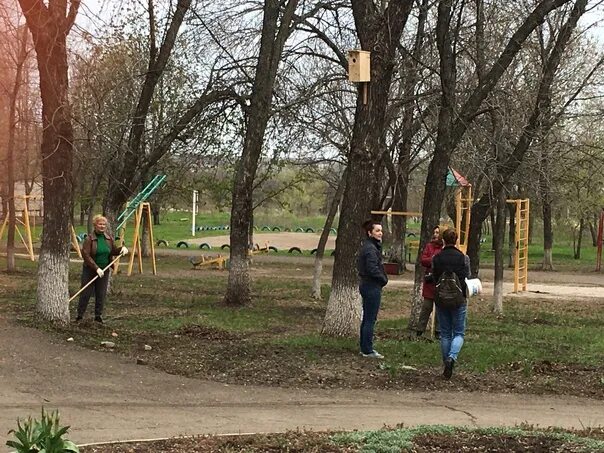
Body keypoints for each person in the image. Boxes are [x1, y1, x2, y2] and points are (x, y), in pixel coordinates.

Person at [431, 228, 470, 380]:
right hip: (458, 299)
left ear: (443, 240)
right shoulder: (463, 258)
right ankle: (452, 358)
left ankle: (445, 363)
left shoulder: (437, 258)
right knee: (459, 333)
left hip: (441, 299)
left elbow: (434, 277)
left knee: (445, 333)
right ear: (456, 240)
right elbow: (467, 276)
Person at [76, 215, 128, 323]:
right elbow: (86, 255)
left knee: (101, 293)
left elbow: (112, 251)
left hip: (104, 270)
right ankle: (80, 315)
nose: (102, 226)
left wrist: (121, 249)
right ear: (95, 225)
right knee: (86, 293)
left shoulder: (108, 238)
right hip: (90, 270)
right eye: (100, 224)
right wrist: (96, 268)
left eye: (104, 224)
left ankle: (98, 316)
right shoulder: (89, 239)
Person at [357, 220, 388, 359]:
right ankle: (367, 350)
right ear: (370, 233)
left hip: (368, 285)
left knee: (367, 318)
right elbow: (371, 268)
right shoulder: (370, 249)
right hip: (371, 286)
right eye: (377, 231)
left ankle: (364, 347)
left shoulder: (371, 246)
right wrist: (383, 279)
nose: (380, 233)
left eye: (381, 230)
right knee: (370, 319)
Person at [417, 225, 443, 339]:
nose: (435, 235)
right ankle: (420, 330)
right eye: (435, 232)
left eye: (438, 232)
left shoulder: (444, 247)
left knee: (440, 308)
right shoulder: (429, 246)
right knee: (426, 307)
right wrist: (433, 258)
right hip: (430, 280)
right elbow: (423, 260)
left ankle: (438, 331)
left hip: (440, 281)